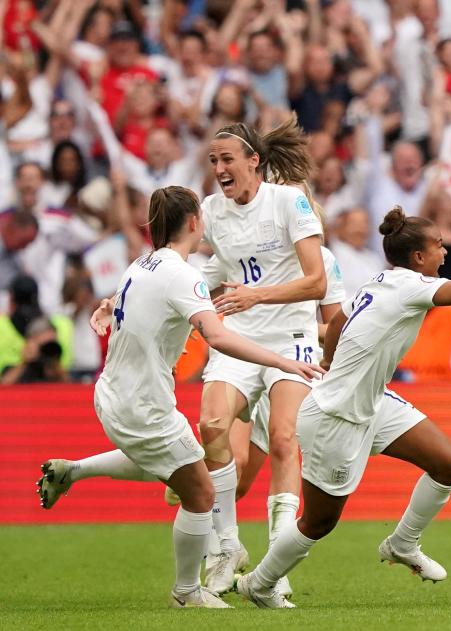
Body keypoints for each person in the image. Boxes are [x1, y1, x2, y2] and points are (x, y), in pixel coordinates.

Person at [235, 206, 451, 608]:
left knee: (447, 464)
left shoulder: (383, 280)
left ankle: (403, 543)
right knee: (318, 522)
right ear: (418, 257)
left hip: (372, 403)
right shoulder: (410, 287)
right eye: (438, 245)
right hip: (335, 417)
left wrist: (330, 360)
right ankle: (259, 583)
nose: (445, 252)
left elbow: (337, 323)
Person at [35, 186, 322, 608]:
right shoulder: (180, 274)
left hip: (112, 396)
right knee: (201, 493)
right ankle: (188, 590)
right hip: (144, 407)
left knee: (170, 464)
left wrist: (108, 305)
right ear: (193, 223)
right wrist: (281, 361)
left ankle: (73, 472)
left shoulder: (141, 264)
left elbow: (140, 306)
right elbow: (219, 335)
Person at [196, 116, 329, 594]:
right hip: (240, 339)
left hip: (291, 336)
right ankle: (227, 543)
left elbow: (318, 281)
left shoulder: (288, 201)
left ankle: (276, 562)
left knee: (283, 437)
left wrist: (257, 295)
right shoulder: (211, 210)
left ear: (254, 161)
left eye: (227, 159)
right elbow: (207, 266)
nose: (219, 168)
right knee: (211, 425)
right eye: (213, 161)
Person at [229, 244, 348, 599]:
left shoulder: (322, 259)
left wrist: (302, 327)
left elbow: (335, 326)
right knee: (234, 474)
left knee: (284, 443)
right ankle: (214, 550)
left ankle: (275, 569)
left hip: (293, 360)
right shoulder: (245, 244)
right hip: (245, 358)